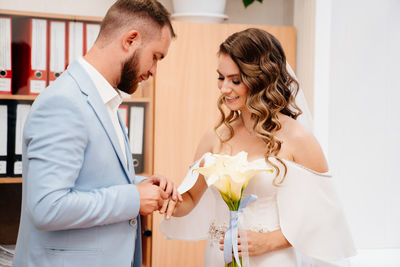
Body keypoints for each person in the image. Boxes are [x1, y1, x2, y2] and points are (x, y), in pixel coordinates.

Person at [160, 28, 356, 266]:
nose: (224, 89)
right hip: (218, 257)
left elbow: (322, 217)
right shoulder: (215, 137)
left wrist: (269, 242)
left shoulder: (297, 138)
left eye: (235, 80)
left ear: (261, 80)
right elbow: (190, 199)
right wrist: (165, 199)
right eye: (221, 78)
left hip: (271, 259)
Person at [13, 1, 181, 267]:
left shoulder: (105, 100)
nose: (153, 71)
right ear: (131, 40)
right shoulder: (64, 102)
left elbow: (89, 180)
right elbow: (48, 206)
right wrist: (133, 197)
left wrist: (144, 184)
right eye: (155, 57)